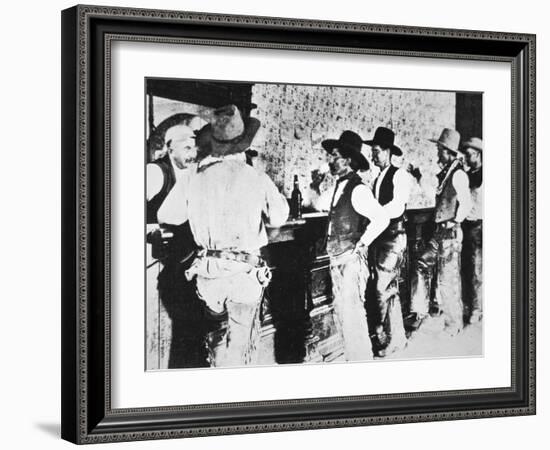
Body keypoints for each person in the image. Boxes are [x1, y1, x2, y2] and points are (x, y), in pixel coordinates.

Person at [158, 105, 289, 367]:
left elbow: (167, 215)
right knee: (241, 342)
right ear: (243, 144)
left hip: (209, 274)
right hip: (244, 274)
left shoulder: (193, 176)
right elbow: (279, 218)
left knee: (216, 338)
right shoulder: (255, 176)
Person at [321, 130, 389, 361]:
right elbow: (320, 203)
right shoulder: (339, 187)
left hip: (350, 261)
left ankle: (361, 365)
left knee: (353, 317)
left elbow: (382, 219)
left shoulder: (358, 189)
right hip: (337, 259)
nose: (330, 160)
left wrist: (362, 244)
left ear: (348, 160)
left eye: (334, 155)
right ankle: (354, 360)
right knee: (343, 314)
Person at [409, 128, 472, 336]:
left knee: (448, 279)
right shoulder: (447, 174)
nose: (437, 153)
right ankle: (421, 312)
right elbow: (437, 196)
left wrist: (454, 221)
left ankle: (454, 324)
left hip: (450, 234)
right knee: (421, 264)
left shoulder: (459, 174)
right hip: (439, 233)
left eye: (439, 150)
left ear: (448, 151)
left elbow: (466, 203)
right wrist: (418, 179)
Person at [364, 127, 411, 356]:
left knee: (383, 288)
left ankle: (383, 332)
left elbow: (398, 206)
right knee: (387, 288)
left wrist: (377, 213)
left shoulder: (400, 175)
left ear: (387, 151)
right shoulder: (377, 177)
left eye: (376, 151)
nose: (372, 156)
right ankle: (397, 338)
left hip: (394, 238)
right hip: (380, 239)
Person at [147, 123, 198, 224]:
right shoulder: (155, 172)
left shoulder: (193, 172)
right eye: (187, 148)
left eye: (194, 148)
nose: (193, 154)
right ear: (171, 151)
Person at [461, 137, 483, 324]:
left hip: (483, 223)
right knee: (471, 268)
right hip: (470, 225)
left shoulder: (486, 174)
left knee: (479, 269)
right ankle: (473, 307)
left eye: (469, 155)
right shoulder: (468, 174)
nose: (466, 159)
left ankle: (479, 307)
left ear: (478, 154)